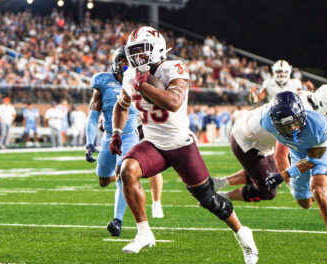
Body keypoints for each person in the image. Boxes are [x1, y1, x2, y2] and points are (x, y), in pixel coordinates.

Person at [110, 26, 258, 264]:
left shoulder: (174, 68)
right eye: (134, 51)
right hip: (153, 143)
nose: (138, 56)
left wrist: (143, 86)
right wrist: (116, 133)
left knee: (209, 200)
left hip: (181, 145)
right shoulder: (130, 76)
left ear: (158, 49)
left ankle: (242, 233)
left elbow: (174, 102)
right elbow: (121, 104)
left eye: (143, 50)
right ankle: (143, 232)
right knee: (127, 170)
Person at [214, 85, 327, 203]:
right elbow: (280, 156)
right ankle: (219, 197)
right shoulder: (298, 116)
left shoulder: (308, 100)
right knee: (267, 191)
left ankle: (218, 183)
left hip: (252, 131)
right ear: (321, 105)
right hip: (247, 140)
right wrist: (294, 188)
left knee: (267, 173)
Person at [86, 46, 164, 238]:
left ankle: (117, 221)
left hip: (129, 135)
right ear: (115, 61)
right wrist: (89, 142)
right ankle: (120, 179)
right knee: (104, 180)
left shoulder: (138, 79)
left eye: (128, 61)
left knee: (123, 174)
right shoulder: (102, 80)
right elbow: (93, 115)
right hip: (108, 136)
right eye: (123, 61)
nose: (126, 64)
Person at [261, 91, 327, 262]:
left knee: (319, 190)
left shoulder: (318, 126)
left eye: (293, 123)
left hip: (320, 149)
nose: (291, 129)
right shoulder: (267, 122)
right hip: (297, 153)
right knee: (304, 203)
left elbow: (312, 161)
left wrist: (282, 175)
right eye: (285, 126)